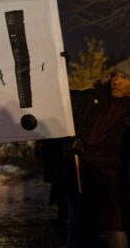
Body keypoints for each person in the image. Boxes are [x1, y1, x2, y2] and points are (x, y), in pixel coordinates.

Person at [64, 59, 130, 248]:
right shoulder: (96, 99)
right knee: (80, 230)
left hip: (115, 188)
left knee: (116, 232)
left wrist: (90, 156)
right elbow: (67, 100)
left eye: (125, 78)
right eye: (116, 75)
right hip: (83, 182)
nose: (117, 81)